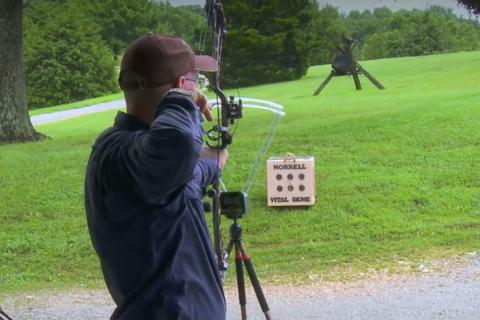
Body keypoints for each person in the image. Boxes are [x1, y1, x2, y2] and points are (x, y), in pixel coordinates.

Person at [84, 33, 227, 320]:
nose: (199, 91)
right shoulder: (121, 152)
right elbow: (178, 142)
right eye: (194, 81)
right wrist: (182, 98)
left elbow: (184, 180)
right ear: (180, 85)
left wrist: (214, 163)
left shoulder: (146, 157)